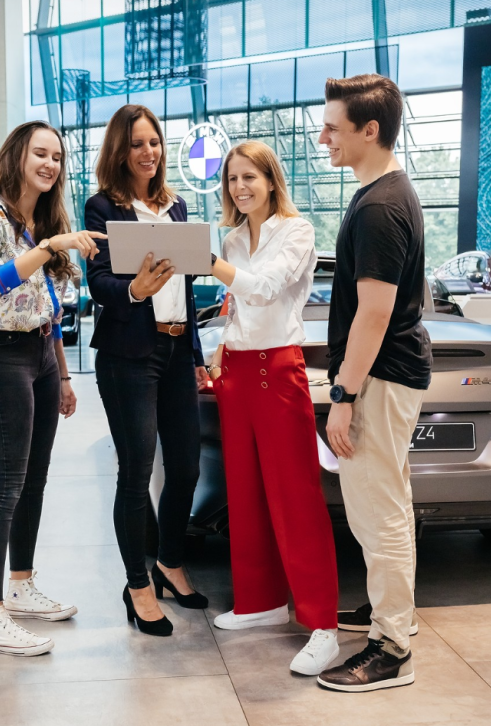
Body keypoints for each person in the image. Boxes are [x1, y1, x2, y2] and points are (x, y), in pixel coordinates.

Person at [0, 121, 104, 656]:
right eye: (41, 153)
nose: (50, 164)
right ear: (17, 153)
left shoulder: (35, 219)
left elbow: (51, 307)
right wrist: (49, 246)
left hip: (40, 354)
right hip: (0, 355)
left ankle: (20, 585)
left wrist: (61, 373)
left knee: (33, 482)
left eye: (58, 157)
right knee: (3, 487)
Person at [204, 141, 341, 675]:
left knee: (295, 497)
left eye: (249, 177)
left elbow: (263, 290)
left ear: (270, 179)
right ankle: (261, 603)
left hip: (278, 371)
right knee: (246, 494)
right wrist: (217, 347)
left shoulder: (297, 230)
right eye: (232, 179)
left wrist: (209, 263)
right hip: (236, 372)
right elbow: (238, 307)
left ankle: (323, 626)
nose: (240, 187)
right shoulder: (234, 238)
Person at [313, 74, 433, 692]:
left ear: (370, 130)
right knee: (387, 502)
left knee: (377, 509)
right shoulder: (383, 194)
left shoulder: (382, 205)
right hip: (390, 376)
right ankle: (394, 618)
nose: (322, 135)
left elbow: (377, 312)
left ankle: (390, 648)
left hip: (379, 379)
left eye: (333, 126)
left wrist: (343, 396)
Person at [84, 104, 209, 637]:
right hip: (129, 356)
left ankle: (169, 561)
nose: (149, 151)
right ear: (120, 150)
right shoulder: (102, 208)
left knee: (186, 470)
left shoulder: (176, 206)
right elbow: (97, 282)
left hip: (179, 351)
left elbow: (185, 287)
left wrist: (199, 356)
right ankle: (138, 585)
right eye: (138, 143)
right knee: (136, 475)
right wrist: (135, 289)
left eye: (155, 141)